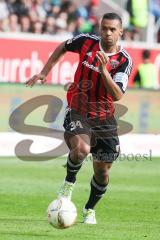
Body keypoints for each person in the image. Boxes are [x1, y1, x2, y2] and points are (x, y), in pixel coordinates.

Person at [25, 12, 133, 224]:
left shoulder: (123, 60)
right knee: (82, 149)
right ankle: (68, 185)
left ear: (121, 32)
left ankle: (89, 209)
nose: (108, 33)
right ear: (99, 28)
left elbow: (117, 95)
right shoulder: (86, 42)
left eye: (113, 29)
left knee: (102, 171)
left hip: (104, 117)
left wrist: (103, 70)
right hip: (78, 108)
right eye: (104, 28)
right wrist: (45, 72)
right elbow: (63, 46)